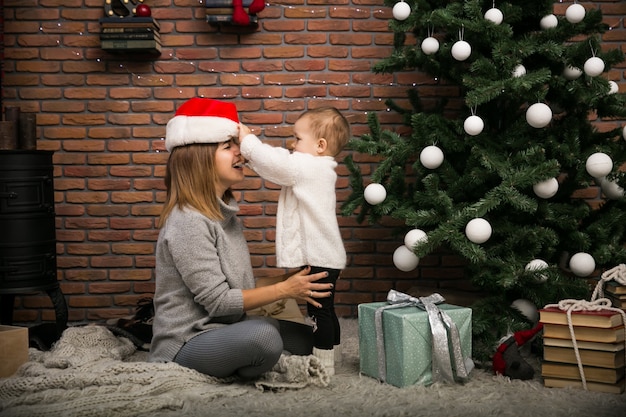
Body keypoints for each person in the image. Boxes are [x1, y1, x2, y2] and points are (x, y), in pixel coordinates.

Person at [149, 97, 333, 380]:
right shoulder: (187, 220)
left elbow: (238, 290)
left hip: (225, 326)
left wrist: (299, 279)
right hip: (186, 340)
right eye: (229, 146)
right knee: (264, 338)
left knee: (308, 338)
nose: (242, 153)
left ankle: (239, 361)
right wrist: (285, 290)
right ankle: (240, 363)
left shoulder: (223, 216)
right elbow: (220, 302)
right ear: (199, 158)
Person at [238, 106, 350, 375]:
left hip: (321, 256)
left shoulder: (310, 167)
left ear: (320, 145)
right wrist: (251, 158)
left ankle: (324, 365)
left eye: (298, 138)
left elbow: (278, 163)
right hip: (326, 255)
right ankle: (331, 352)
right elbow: (278, 167)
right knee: (325, 308)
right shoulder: (318, 167)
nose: (292, 143)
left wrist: (247, 141)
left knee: (319, 312)